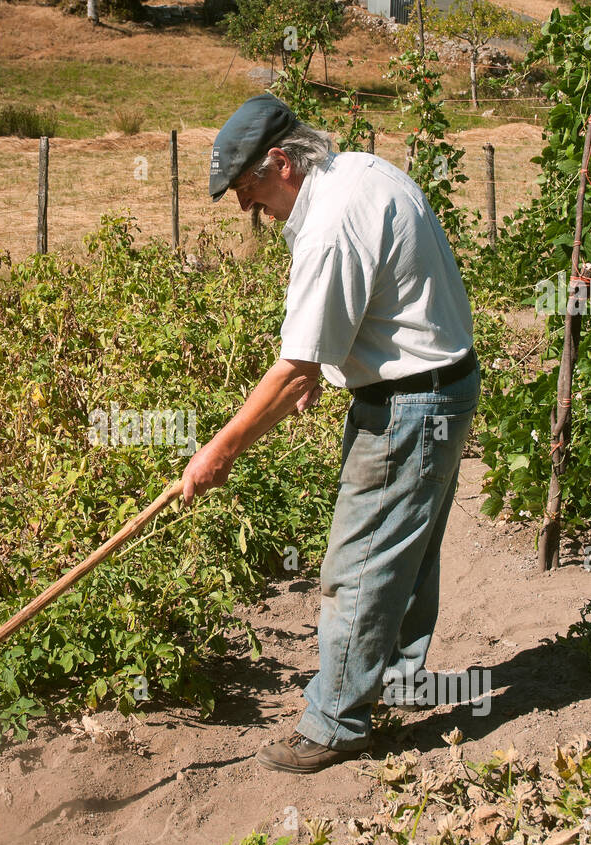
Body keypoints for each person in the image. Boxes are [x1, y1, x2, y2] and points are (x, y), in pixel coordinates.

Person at [181, 93, 480, 773]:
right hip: (446, 383)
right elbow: (378, 300)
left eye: (248, 188)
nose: (246, 207)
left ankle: (336, 722)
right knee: (408, 548)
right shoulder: (361, 173)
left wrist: (218, 451)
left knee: (359, 564)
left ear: (280, 162)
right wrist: (331, 358)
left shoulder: (331, 224)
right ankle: (396, 679)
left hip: (409, 402)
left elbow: (292, 370)